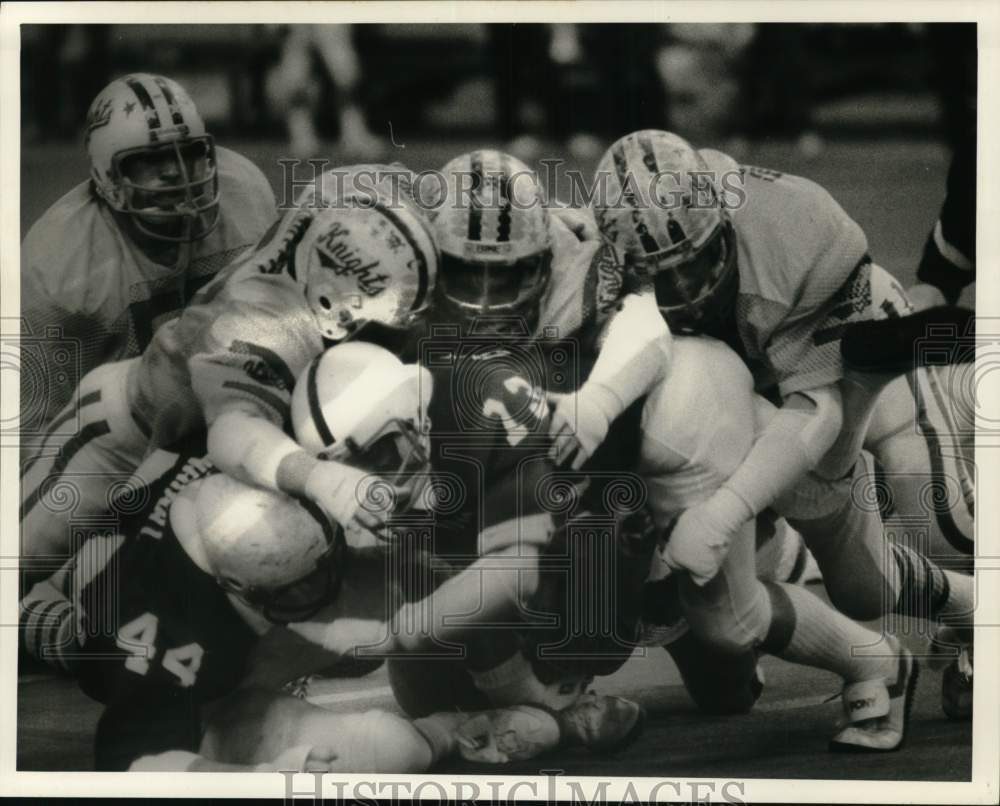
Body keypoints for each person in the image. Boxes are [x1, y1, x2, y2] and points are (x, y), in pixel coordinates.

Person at [591, 130, 974, 719]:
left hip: (848, 364)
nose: (687, 291)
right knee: (734, 659)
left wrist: (723, 514)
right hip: (742, 402)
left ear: (724, 221)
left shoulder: (794, 232)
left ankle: (975, 605)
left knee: (943, 528)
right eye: (662, 276)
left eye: (698, 261)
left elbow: (819, 413)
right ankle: (811, 564)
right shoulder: (596, 279)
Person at [20, 73, 276, 432]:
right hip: (118, 434)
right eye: (150, 160)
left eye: (188, 153)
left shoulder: (243, 194)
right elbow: (36, 422)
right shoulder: (59, 264)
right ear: (108, 175)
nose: (175, 171)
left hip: (233, 399)